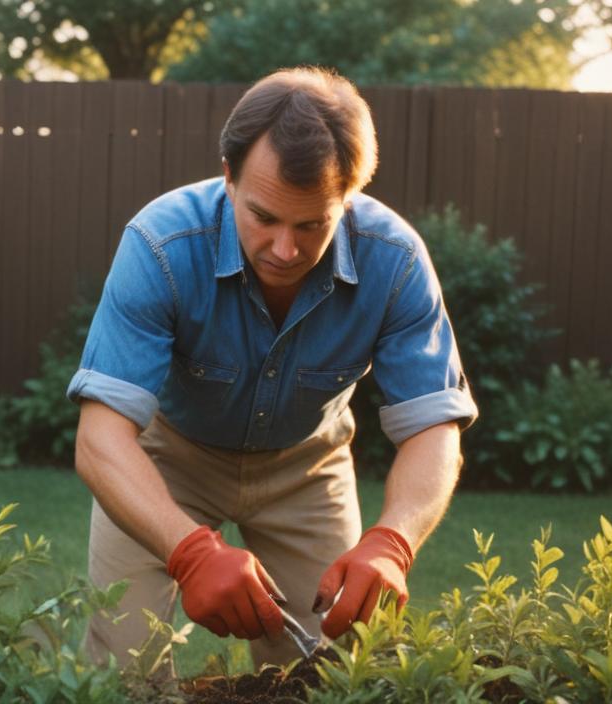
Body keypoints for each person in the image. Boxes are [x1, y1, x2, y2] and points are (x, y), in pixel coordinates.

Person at [65, 66, 478, 671]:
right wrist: (190, 555)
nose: (286, 250)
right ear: (229, 176)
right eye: (264, 217)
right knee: (128, 670)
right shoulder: (161, 244)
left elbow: (434, 429)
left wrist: (393, 543)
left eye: (313, 224)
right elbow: (100, 441)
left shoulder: (395, 260)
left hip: (305, 465)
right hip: (166, 459)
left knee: (335, 669)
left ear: (350, 197)